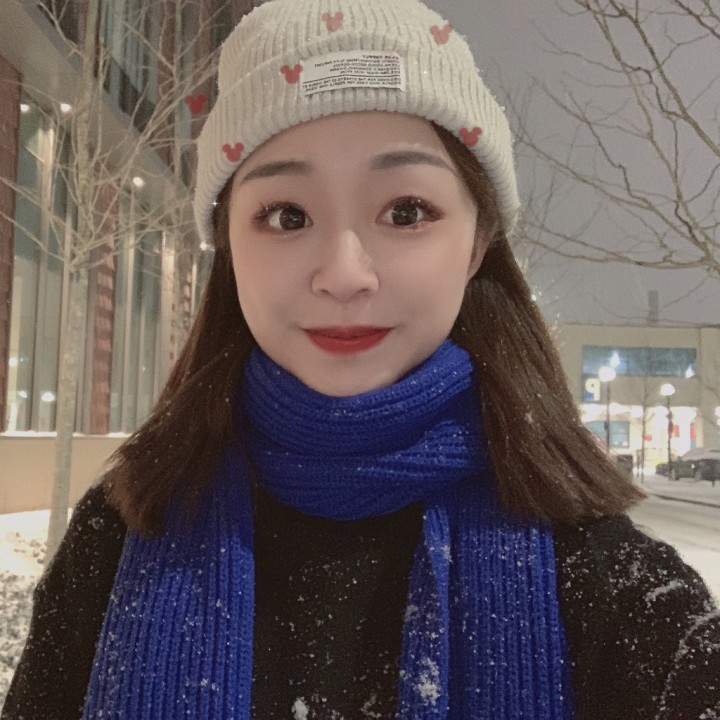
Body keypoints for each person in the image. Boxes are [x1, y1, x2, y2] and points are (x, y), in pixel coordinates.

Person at [3, 0, 719, 718]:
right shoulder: (125, 528)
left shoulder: (604, 578)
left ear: (477, 243)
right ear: (229, 247)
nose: (344, 275)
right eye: (287, 215)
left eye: (406, 212)